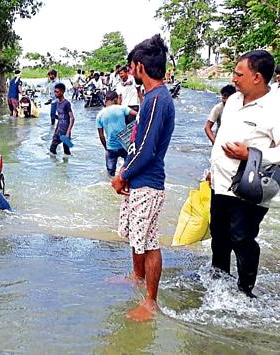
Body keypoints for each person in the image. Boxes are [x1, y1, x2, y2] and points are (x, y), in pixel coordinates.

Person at [209, 50, 280, 298]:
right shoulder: (234, 102)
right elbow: (222, 138)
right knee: (218, 236)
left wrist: (252, 155)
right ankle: (217, 287)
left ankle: (245, 291)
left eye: (239, 74)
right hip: (220, 183)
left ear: (257, 77)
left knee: (241, 237)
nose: (234, 78)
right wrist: (212, 170)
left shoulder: (276, 109)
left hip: (249, 185)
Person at [111, 34, 175, 322]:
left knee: (149, 241)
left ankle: (151, 302)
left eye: (131, 66)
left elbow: (148, 149)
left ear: (138, 67)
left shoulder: (158, 99)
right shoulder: (150, 97)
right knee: (138, 237)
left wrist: (123, 174)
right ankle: (137, 277)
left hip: (147, 180)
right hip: (140, 178)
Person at [96, 90, 138, 176]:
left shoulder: (99, 115)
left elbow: (101, 135)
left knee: (110, 174)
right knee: (129, 169)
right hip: (124, 146)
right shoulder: (122, 108)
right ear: (115, 99)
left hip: (111, 147)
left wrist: (106, 148)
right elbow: (138, 115)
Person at [49, 83, 75, 156]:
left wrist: (68, 132)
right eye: (55, 92)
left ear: (62, 92)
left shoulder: (66, 103)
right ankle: (56, 166)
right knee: (52, 149)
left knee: (66, 151)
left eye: (57, 92)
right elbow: (60, 119)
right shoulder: (57, 103)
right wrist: (55, 131)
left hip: (65, 131)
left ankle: (65, 166)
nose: (55, 93)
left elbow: (72, 118)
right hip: (59, 131)